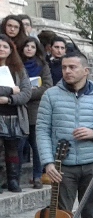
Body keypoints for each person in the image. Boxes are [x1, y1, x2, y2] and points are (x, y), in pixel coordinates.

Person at [35, 50, 93, 218]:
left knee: (91, 215)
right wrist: (48, 162)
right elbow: (42, 130)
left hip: (92, 165)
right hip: (63, 166)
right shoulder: (51, 95)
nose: (67, 71)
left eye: (72, 67)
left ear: (85, 70)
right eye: (64, 67)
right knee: (61, 216)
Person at [0, 34, 32, 193]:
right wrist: (11, 90)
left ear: (11, 49)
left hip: (14, 114)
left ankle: (13, 180)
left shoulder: (19, 69)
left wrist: (9, 99)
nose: (2, 49)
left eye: (5, 46)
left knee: (13, 148)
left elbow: (26, 93)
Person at [19, 37, 51, 189]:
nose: (29, 49)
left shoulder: (42, 65)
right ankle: (15, 177)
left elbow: (47, 86)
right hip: (18, 109)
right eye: (27, 46)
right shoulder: (16, 64)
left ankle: (38, 176)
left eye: (32, 46)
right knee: (18, 146)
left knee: (37, 146)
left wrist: (26, 93)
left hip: (35, 110)